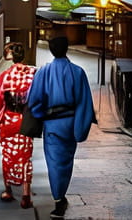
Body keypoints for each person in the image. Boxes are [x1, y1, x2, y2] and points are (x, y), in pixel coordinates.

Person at [27, 35, 95, 219]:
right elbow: (84, 103)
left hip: (52, 125)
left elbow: (33, 100)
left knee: (54, 163)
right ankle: (61, 194)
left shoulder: (43, 72)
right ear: (67, 48)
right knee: (66, 162)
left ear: (51, 50)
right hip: (71, 123)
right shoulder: (77, 72)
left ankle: (58, 199)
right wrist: (80, 128)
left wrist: (43, 115)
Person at [0, 42, 37, 208]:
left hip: (9, 119)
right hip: (26, 120)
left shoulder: (4, 76)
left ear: (11, 57)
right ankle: (26, 194)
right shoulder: (33, 73)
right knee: (25, 156)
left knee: (8, 155)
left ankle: (8, 190)